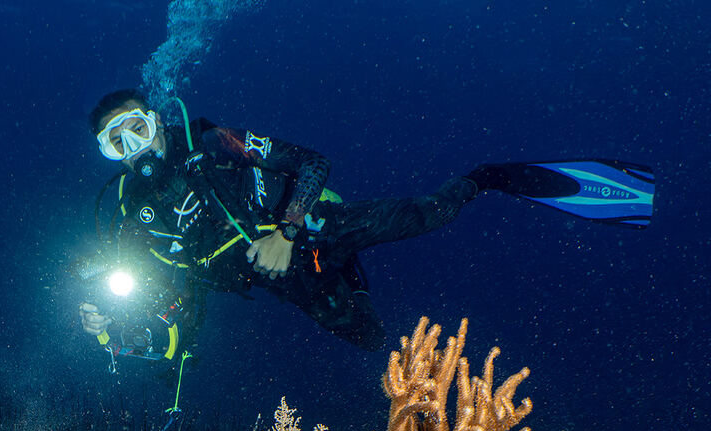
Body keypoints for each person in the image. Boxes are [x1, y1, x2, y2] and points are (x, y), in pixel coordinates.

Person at [79, 89, 654, 353]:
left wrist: (286, 230)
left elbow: (312, 162)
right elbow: (173, 310)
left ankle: (490, 176)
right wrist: (110, 327)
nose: (134, 146)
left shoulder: (216, 142)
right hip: (289, 281)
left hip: (318, 225)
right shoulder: (132, 213)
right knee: (370, 340)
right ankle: (355, 290)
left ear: (157, 121)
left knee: (429, 214)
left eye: (137, 127)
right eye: (115, 142)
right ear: (109, 154)